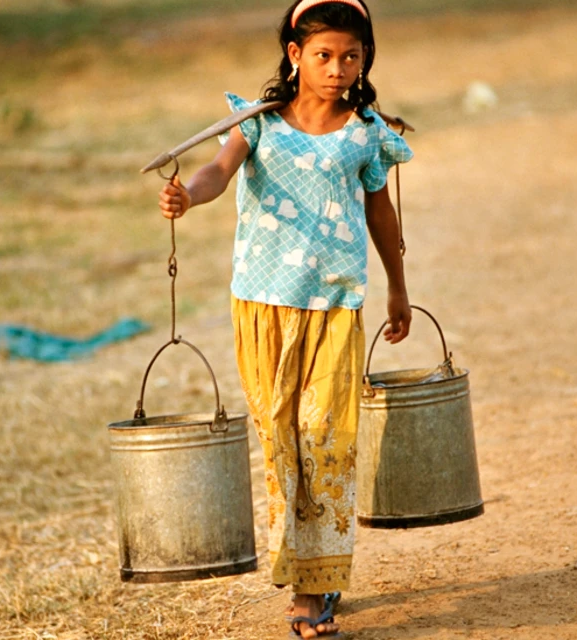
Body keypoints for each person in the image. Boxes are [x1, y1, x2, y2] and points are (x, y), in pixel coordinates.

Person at [158, 0, 412, 636]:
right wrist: (187, 194)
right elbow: (218, 171)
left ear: (364, 60)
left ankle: (314, 587)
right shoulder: (258, 123)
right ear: (296, 56)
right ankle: (300, 566)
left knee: (324, 437)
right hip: (263, 305)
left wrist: (398, 290)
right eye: (323, 55)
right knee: (280, 439)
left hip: (334, 306)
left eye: (350, 57)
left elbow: (382, 217)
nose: (337, 68)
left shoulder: (364, 131)